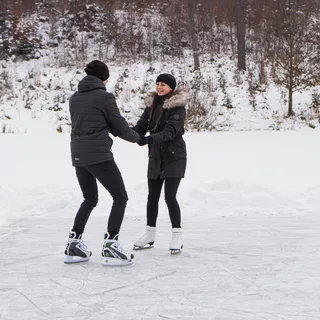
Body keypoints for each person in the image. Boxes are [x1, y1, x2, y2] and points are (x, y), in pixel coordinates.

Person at [64, 60, 140, 266]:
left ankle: (74, 243)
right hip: (99, 156)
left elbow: (96, 122)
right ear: (103, 78)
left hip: (79, 157)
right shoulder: (105, 97)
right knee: (120, 197)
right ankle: (110, 245)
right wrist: (138, 138)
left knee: (89, 199)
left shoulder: (75, 98)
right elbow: (119, 125)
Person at [132, 73, 190, 254]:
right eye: (157, 84)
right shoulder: (152, 106)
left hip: (174, 156)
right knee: (152, 197)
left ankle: (177, 235)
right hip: (156, 156)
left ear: (171, 87)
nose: (159, 87)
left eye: (163, 84)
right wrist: (122, 130)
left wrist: (148, 140)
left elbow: (170, 132)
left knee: (169, 197)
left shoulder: (178, 107)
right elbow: (140, 127)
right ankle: (150, 234)